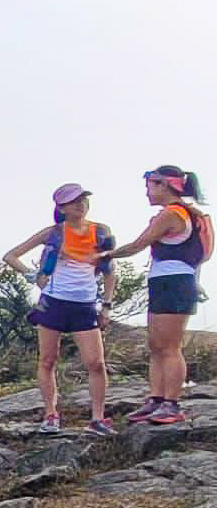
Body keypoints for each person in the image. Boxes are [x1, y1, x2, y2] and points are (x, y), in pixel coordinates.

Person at [0, 182, 116, 436]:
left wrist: (106, 306)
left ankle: (98, 419)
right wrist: (33, 276)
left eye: (83, 199)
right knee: (48, 360)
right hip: (53, 303)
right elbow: (10, 256)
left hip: (85, 305)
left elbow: (110, 272)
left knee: (96, 363)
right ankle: (51, 415)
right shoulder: (53, 233)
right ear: (61, 208)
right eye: (74, 201)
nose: (81, 204)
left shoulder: (100, 232)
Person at [104, 165, 211, 427]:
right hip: (168, 281)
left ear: (164, 185)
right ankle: (156, 398)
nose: (147, 192)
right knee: (156, 345)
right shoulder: (186, 214)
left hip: (174, 282)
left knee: (169, 347)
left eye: (150, 186)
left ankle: (171, 403)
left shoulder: (172, 214)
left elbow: (138, 245)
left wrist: (105, 255)